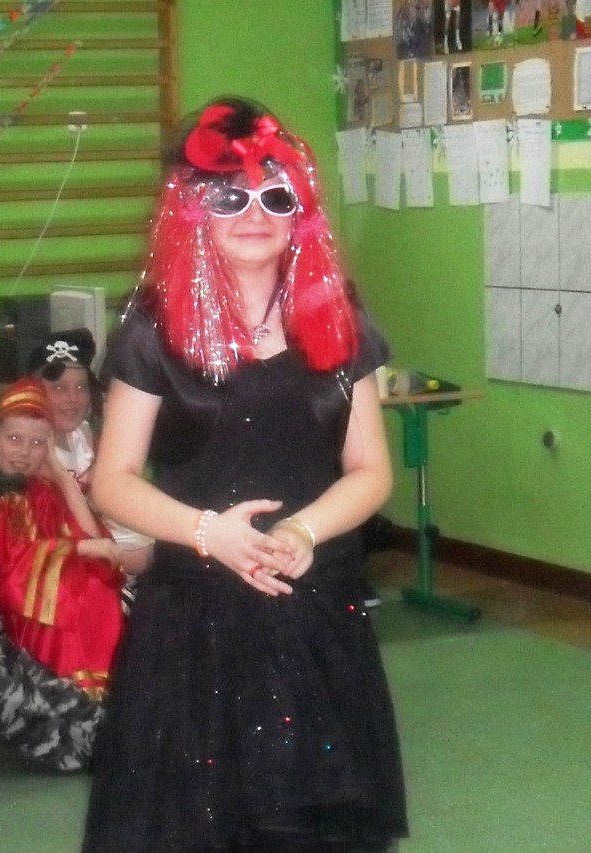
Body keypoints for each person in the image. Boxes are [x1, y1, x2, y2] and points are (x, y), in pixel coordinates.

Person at [82, 96, 408, 852]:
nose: (255, 214)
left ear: (301, 215)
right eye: (231, 197)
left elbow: (369, 470)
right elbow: (113, 479)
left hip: (315, 612)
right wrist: (209, 534)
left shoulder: (340, 322)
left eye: (276, 197)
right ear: (195, 212)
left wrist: (301, 530)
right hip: (195, 625)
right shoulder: (153, 330)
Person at [0, 378, 126, 769]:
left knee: (97, 585)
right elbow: (1, 568)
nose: (24, 453)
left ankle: (95, 714)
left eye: (37, 443)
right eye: (14, 439)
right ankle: (77, 717)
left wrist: (62, 478)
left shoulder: (36, 488)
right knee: (83, 592)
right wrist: (80, 550)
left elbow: (94, 539)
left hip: (28, 595)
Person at [27, 327, 154, 577]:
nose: (73, 399)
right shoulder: (27, 458)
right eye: (58, 389)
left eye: (81, 387)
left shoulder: (85, 437)